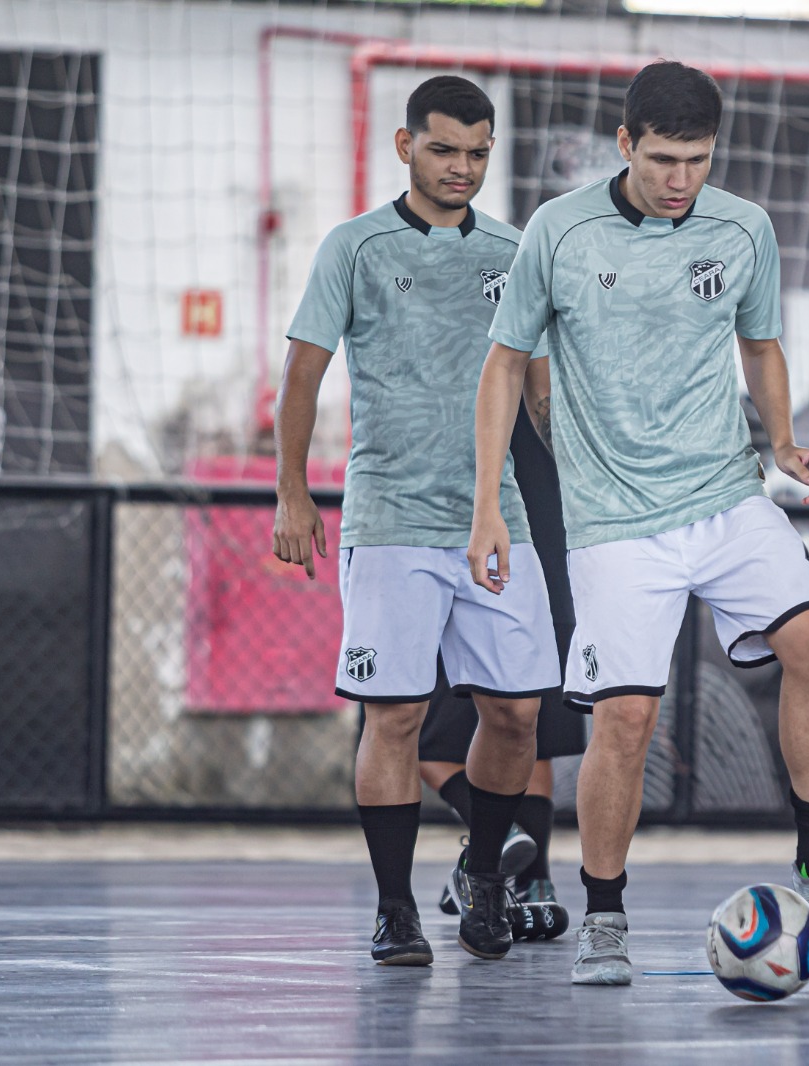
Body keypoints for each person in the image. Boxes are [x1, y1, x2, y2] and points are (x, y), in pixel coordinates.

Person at [469, 61, 809, 986]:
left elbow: (761, 343)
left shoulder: (742, 228)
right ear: (625, 143)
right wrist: (489, 505)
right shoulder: (558, 231)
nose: (682, 180)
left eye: (700, 161)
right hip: (615, 522)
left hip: (725, 495)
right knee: (627, 721)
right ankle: (604, 917)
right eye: (665, 159)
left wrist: (787, 444)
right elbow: (504, 366)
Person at [272, 75, 559, 967]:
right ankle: (395, 909)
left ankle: (482, 880)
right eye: (443, 149)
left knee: (516, 713)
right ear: (406, 148)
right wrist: (292, 490)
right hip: (390, 518)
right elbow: (304, 375)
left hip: (495, 523)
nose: (462, 167)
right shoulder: (353, 247)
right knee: (393, 717)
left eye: (477, 152)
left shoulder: (516, 253)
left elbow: (545, 398)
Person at [418, 396, 583, 939]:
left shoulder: (515, 358)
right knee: (521, 722)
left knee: (514, 721)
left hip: (508, 538)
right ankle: (520, 869)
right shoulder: (527, 375)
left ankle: (498, 849)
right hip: (504, 534)